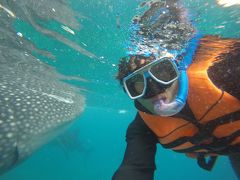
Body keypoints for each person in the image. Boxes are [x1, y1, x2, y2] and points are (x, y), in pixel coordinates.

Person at [112, 1, 240, 180]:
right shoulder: (143, 126)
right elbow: (134, 169)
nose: (155, 90)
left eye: (162, 73)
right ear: (131, 93)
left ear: (177, 70)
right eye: (138, 85)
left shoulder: (225, 76)